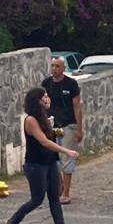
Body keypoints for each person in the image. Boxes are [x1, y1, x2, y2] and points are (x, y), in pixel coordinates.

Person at [1, 88, 80, 224]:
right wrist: (67, 151)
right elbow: (44, 141)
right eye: (44, 96)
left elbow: (49, 137)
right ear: (37, 101)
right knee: (37, 199)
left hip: (49, 161)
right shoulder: (30, 120)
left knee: (54, 197)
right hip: (35, 164)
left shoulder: (44, 117)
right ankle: (12, 222)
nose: (47, 98)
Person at [41, 57, 83, 205]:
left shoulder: (71, 84)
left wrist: (79, 128)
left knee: (66, 159)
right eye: (52, 66)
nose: (54, 69)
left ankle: (66, 193)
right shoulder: (46, 84)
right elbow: (43, 104)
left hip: (68, 125)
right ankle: (60, 186)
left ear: (63, 68)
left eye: (57, 66)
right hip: (52, 126)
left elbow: (77, 106)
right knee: (54, 159)